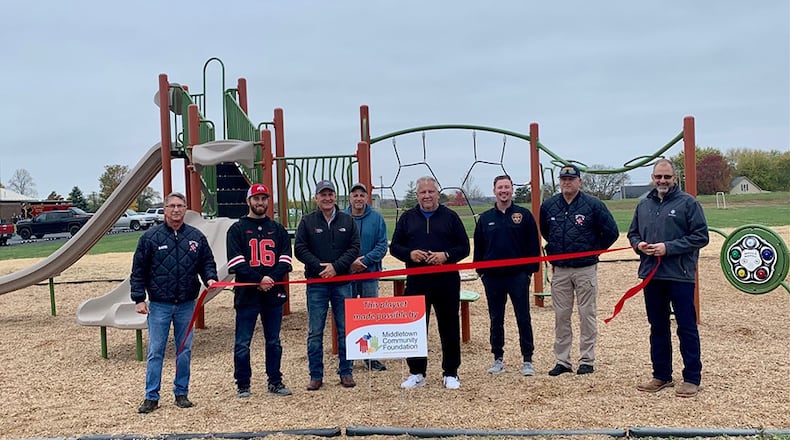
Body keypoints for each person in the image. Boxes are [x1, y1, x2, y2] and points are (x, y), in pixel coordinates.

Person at [627, 158, 709, 397]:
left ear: (675, 178)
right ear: (652, 178)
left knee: (686, 327)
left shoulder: (688, 203)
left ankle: (692, 378)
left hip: (680, 275)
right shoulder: (643, 205)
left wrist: (668, 247)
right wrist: (638, 245)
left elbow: (701, 237)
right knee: (657, 326)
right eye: (658, 177)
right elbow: (632, 233)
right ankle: (661, 375)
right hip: (652, 275)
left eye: (667, 177)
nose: (662, 181)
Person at [131, 192, 218, 414]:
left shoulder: (195, 237)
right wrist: (139, 299)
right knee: (156, 351)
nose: (176, 210)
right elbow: (138, 270)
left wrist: (210, 278)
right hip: (160, 304)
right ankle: (151, 396)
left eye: (180, 206)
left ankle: (181, 393)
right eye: (172, 206)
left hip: (186, 303)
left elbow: (206, 262)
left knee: (184, 350)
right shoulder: (150, 238)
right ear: (165, 209)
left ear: (186, 208)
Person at [389, 176, 470, 390]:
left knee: (449, 326)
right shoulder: (407, 218)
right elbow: (394, 247)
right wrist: (410, 254)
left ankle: (451, 372)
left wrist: (446, 255)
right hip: (417, 282)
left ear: (438, 193)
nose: (427, 196)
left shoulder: (451, 217)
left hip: (447, 281)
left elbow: (464, 248)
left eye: (431, 192)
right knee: (416, 329)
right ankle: (417, 372)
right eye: (423, 192)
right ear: (417, 195)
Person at [539, 164, 619, 376]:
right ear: (559, 182)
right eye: (563, 179)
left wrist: (593, 251)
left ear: (579, 181)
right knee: (561, 316)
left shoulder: (593, 205)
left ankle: (587, 360)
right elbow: (546, 231)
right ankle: (563, 361)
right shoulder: (548, 206)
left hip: (585, 268)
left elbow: (611, 232)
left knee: (587, 314)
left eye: (571, 179)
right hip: (561, 270)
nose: (567, 182)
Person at [226, 183, 293, 398]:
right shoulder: (236, 229)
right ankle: (243, 383)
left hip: (273, 293)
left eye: (264, 198)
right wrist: (259, 279)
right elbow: (236, 262)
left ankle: (275, 380)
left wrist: (271, 278)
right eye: (256, 198)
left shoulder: (278, 229)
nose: (260, 202)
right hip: (247, 295)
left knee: (273, 340)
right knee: (243, 342)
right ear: (248, 201)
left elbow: (286, 260)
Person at [294, 179, 360, 391]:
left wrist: (336, 267)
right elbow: (300, 249)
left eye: (330, 194)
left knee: (345, 329)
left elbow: (354, 248)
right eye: (323, 194)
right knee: (315, 331)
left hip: (342, 281)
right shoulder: (307, 221)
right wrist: (319, 267)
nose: (327, 198)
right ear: (316, 198)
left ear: (335, 196)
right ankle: (316, 375)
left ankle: (346, 372)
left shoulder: (347, 220)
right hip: (317, 283)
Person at [473, 175, 541, 376]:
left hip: (518, 276)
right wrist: (482, 272)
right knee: (496, 318)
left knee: (523, 317)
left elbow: (533, 245)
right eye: (500, 187)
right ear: (494, 190)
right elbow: (479, 247)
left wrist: (529, 272)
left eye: (507, 187)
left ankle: (527, 359)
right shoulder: (485, 218)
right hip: (493, 278)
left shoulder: (523, 215)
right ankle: (498, 358)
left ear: (512, 189)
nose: (504, 191)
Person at [345, 182, 389, 372]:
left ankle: (371, 357)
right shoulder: (342, 218)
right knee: (347, 316)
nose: (358, 199)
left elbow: (382, 245)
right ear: (350, 198)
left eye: (362, 195)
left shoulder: (377, 219)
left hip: (370, 274)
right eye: (355, 195)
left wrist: (364, 260)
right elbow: (336, 245)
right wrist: (349, 263)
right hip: (347, 275)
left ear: (366, 198)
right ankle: (347, 359)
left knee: (370, 316)